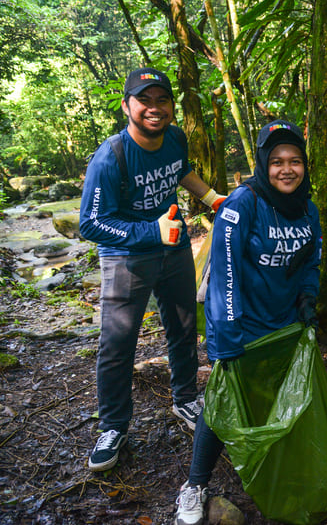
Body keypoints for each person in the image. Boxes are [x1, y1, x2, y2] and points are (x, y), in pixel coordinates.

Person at [173, 120, 321, 525]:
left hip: (285, 326)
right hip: (241, 325)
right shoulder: (243, 203)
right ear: (262, 164)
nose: (286, 169)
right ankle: (194, 486)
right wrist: (227, 336)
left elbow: (311, 261)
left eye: (294, 161)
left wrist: (309, 300)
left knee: (278, 398)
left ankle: (272, 470)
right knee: (221, 404)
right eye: (276, 161)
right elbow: (225, 272)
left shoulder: (308, 209)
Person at [79, 67, 226, 473]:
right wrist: (150, 231)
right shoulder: (111, 157)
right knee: (117, 343)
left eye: (163, 100)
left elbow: (180, 170)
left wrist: (213, 197)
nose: (154, 109)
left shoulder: (175, 138)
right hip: (126, 255)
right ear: (127, 106)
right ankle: (112, 427)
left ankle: (185, 398)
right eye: (145, 100)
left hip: (174, 246)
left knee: (181, 326)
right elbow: (90, 224)